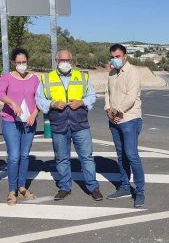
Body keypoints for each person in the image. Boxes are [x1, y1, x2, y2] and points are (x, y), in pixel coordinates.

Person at [35, 49, 104, 201]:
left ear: (71, 62)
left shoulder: (82, 76)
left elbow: (92, 96)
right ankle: (64, 187)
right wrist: (52, 103)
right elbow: (39, 99)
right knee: (61, 158)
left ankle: (93, 187)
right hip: (59, 124)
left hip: (80, 123)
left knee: (86, 157)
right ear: (56, 61)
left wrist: (82, 102)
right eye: (61, 60)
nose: (64, 63)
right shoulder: (47, 79)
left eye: (67, 60)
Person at [0, 48, 40, 205]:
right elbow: (0, 93)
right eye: (19, 62)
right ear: (14, 62)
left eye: (24, 62)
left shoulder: (35, 79)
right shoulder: (7, 77)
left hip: (28, 123)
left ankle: (22, 187)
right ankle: (12, 190)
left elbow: (40, 99)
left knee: (24, 155)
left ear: (27, 62)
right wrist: (12, 103)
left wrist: (34, 114)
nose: (22, 65)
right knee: (14, 157)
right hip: (11, 122)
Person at [104, 44, 145, 208]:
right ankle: (124, 187)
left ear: (125, 56)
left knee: (132, 155)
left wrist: (118, 111)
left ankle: (140, 191)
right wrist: (108, 109)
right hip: (114, 120)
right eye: (113, 57)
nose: (115, 59)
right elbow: (107, 93)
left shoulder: (132, 72)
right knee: (121, 156)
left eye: (118, 56)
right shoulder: (112, 73)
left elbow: (131, 96)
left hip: (130, 119)